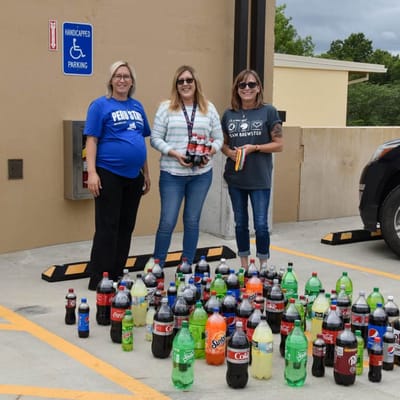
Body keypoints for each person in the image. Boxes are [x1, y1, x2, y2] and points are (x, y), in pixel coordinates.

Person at [84, 60, 151, 290]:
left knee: (126, 226)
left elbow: (140, 140)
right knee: (107, 226)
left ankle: (116, 273)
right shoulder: (100, 106)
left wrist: (146, 173)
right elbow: (91, 139)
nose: (122, 80)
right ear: (111, 80)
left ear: (132, 81)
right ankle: (99, 278)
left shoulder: (137, 107)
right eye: (118, 76)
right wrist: (91, 173)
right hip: (108, 173)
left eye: (126, 76)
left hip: (134, 176)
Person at [150, 65, 223, 268]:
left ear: (196, 83)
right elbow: (154, 139)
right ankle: (157, 266)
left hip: (200, 174)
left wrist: (210, 152)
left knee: (192, 221)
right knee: (167, 222)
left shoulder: (209, 108)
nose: (185, 84)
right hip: (172, 173)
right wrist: (174, 153)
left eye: (189, 80)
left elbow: (219, 138)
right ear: (176, 85)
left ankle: (186, 265)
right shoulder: (166, 108)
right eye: (180, 81)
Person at [221, 69, 283, 270]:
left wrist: (254, 148)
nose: (247, 88)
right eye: (242, 85)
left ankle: (263, 263)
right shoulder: (229, 114)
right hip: (235, 178)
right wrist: (229, 152)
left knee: (261, 225)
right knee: (240, 224)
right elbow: (222, 143)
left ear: (258, 89)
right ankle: (245, 264)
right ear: (236, 89)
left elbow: (279, 144)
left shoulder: (269, 111)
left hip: (259, 178)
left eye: (251, 85)